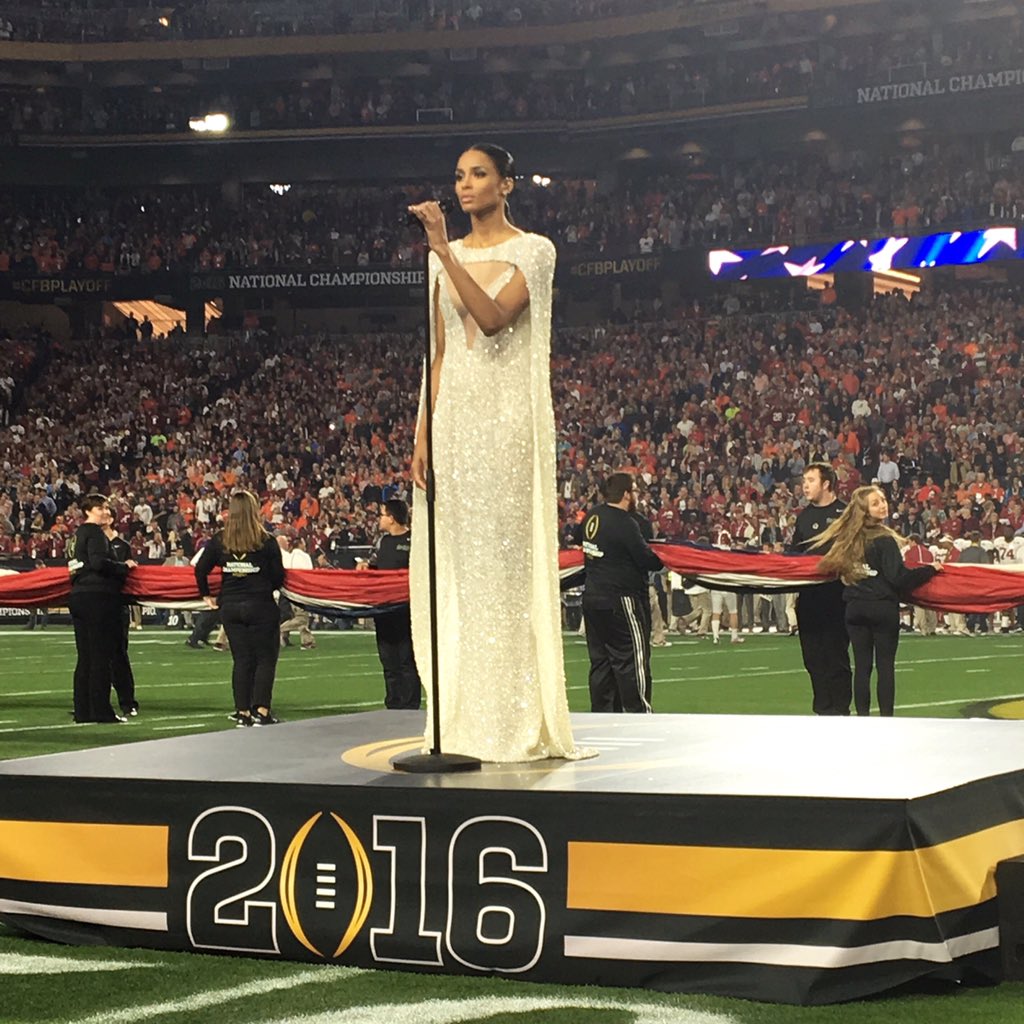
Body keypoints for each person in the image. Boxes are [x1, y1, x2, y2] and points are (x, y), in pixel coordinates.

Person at [407, 142, 589, 762]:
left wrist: (439, 248)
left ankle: (514, 717)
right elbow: (439, 354)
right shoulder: (445, 259)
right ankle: (464, 717)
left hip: (506, 424)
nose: (464, 185)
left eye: (479, 174)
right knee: (462, 570)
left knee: (505, 568)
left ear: (507, 184)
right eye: (458, 175)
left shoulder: (534, 251)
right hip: (454, 421)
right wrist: (421, 433)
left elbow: (490, 319)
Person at [812, 485, 941, 717]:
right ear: (864, 510)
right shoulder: (883, 539)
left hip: (854, 608)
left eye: (882, 499)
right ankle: (886, 719)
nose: (882, 505)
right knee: (885, 667)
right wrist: (930, 570)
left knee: (862, 667)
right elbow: (899, 578)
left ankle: (862, 718)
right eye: (875, 503)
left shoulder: (847, 539)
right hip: (881, 607)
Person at [195, 490, 285, 727]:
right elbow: (278, 577)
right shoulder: (266, 540)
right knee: (265, 659)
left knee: (242, 659)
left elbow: (200, 569)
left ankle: (242, 711)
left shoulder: (220, 540)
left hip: (231, 606)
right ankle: (262, 710)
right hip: (260, 605)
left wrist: (207, 596)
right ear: (254, 510)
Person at [580, 473, 665, 713]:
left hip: (593, 597)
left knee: (601, 662)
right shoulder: (626, 522)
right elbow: (644, 557)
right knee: (632, 658)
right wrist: (663, 558)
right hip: (621, 598)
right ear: (626, 494)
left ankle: (602, 715)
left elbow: (582, 543)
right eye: (634, 490)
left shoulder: (592, 516)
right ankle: (639, 714)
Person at [66, 494, 137, 724]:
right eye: (101, 508)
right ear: (88, 511)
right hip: (98, 598)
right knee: (101, 657)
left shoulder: (75, 537)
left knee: (85, 657)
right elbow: (98, 563)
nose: (106, 512)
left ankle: (83, 710)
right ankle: (101, 710)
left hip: (78, 596)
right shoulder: (95, 533)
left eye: (107, 508)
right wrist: (123, 567)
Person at [790, 462, 852, 716]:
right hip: (809, 597)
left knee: (836, 655)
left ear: (826, 484)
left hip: (837, 596)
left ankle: (840, 709)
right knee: (812, 657)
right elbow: (793, 554)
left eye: (811, 480)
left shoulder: (845, 514)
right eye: (804, 480)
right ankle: (822, 709)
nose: (805, 485)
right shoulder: (803, 516)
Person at [359, 499, 422, 710]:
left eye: (382, 514)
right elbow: (379, 568)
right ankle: (393, 703)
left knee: (406, 660)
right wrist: (367, 566)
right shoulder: (383, 542)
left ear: (392, 518)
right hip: (384, 610)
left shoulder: (415, 540)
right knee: (388, 661)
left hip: (405, 611)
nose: (380, 518)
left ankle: (410, 703)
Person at [104, 517, 139, 716]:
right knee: (94, 656)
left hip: (117, 604)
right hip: (98, 603)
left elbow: (128, 572)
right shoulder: (89, 540)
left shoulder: (121, 545)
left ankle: (127, 702)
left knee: (118, 655)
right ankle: (95, 701)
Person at [278, 535, 316, 649]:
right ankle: (277, 630)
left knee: (299, 617)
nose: (305, 545)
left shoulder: (289, 557)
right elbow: (308, 574)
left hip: (289, 591)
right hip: (300, 591)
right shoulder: (303, 557)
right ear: (300, 544)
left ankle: (307, 641)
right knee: (301, 618)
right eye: (303, 543)